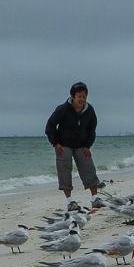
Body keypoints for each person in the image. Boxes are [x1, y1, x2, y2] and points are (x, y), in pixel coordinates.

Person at [45, 82, 101, 210]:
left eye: (84, 96)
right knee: (64, 170)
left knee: (89, 169)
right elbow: (50, 126)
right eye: (79, 96)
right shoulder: (62, 109)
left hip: (82, 145)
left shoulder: (89, 110)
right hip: (63, 145)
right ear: (73, 97)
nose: (82, 99)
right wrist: (55, 143)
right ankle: (70, 201)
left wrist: (88, 145)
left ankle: (95, 198)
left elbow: (92, 129)